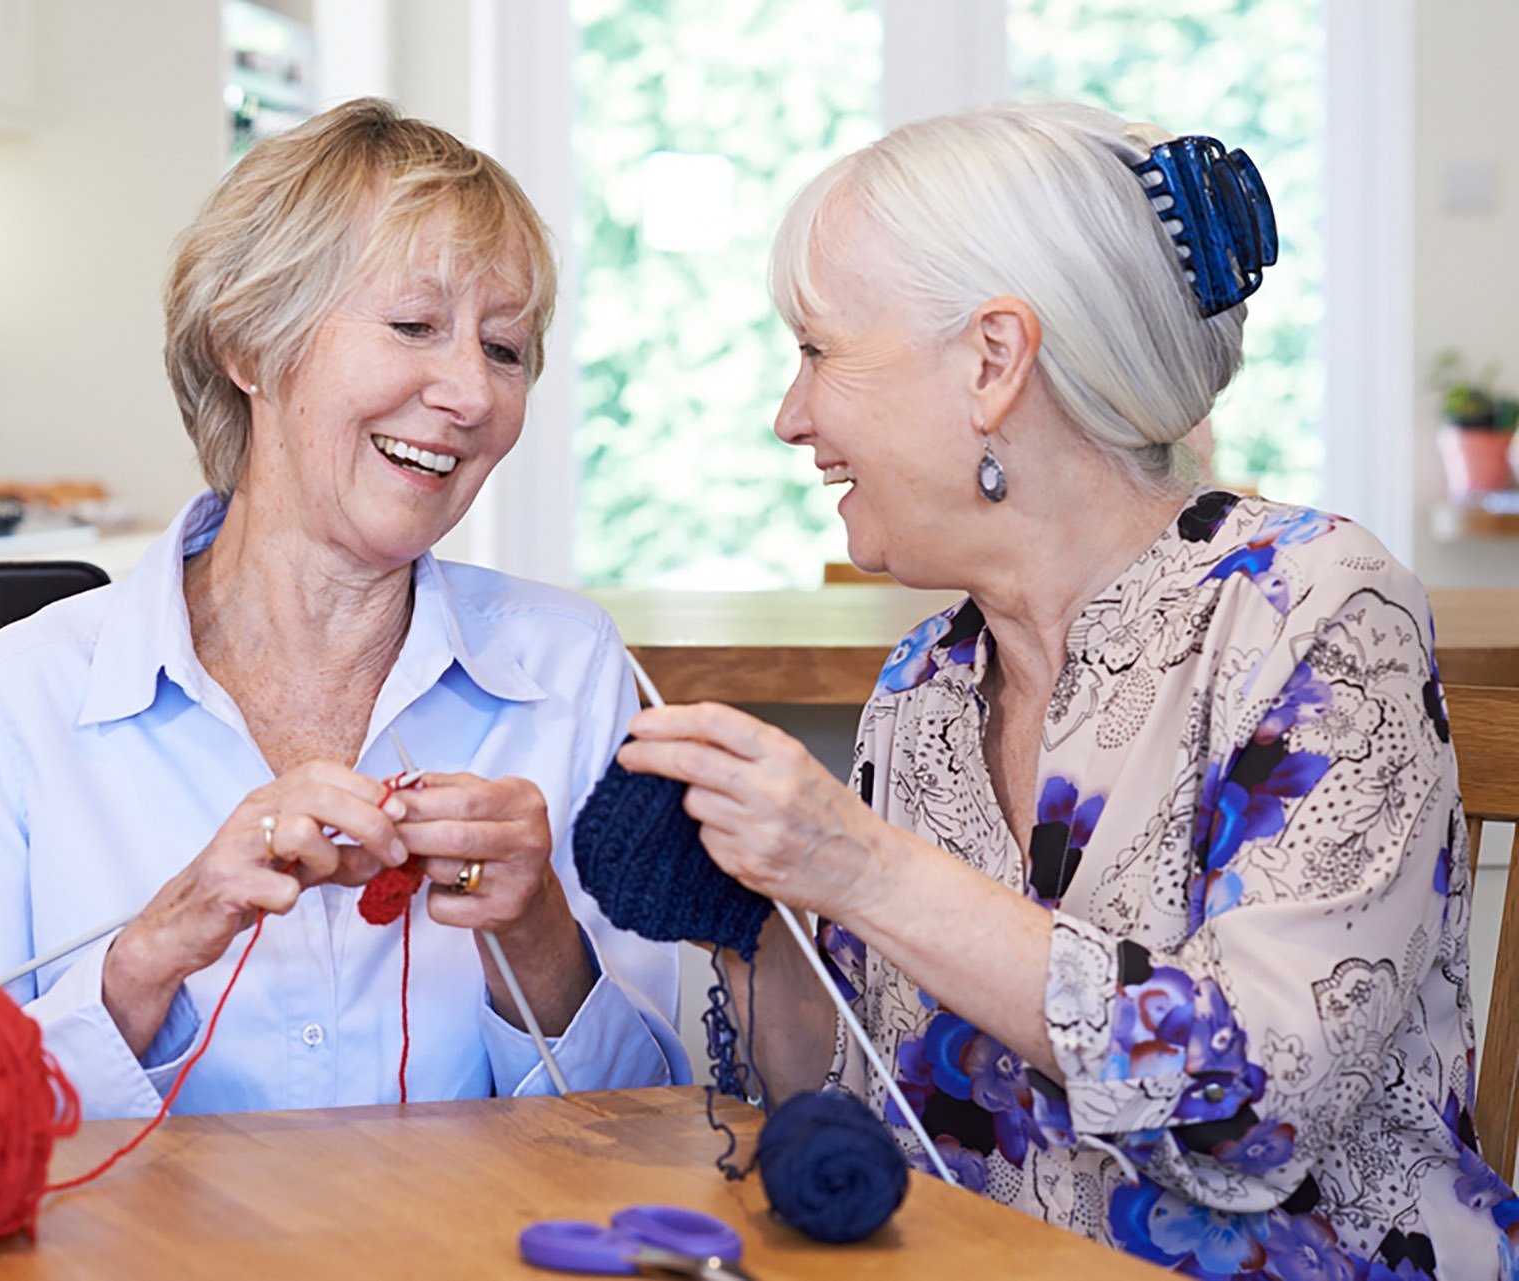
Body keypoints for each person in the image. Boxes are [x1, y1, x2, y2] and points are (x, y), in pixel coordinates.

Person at [619, 102, 1514, 1275]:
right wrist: (747, 910)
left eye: (818, 351)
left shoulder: (1314, 606)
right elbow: (844, 1109)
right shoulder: (929, 680)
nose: (794, 419)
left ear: (994, 362)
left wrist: (855, 863)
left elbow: (1251, 1122)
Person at [0, 99, 688, 1118]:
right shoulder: (14, 703)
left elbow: (648, 1133)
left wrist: (536, 936)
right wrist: (150, 957)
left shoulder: (569, 674)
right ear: (249, 346)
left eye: (506, 350)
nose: (474, 395)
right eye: (414, 326)